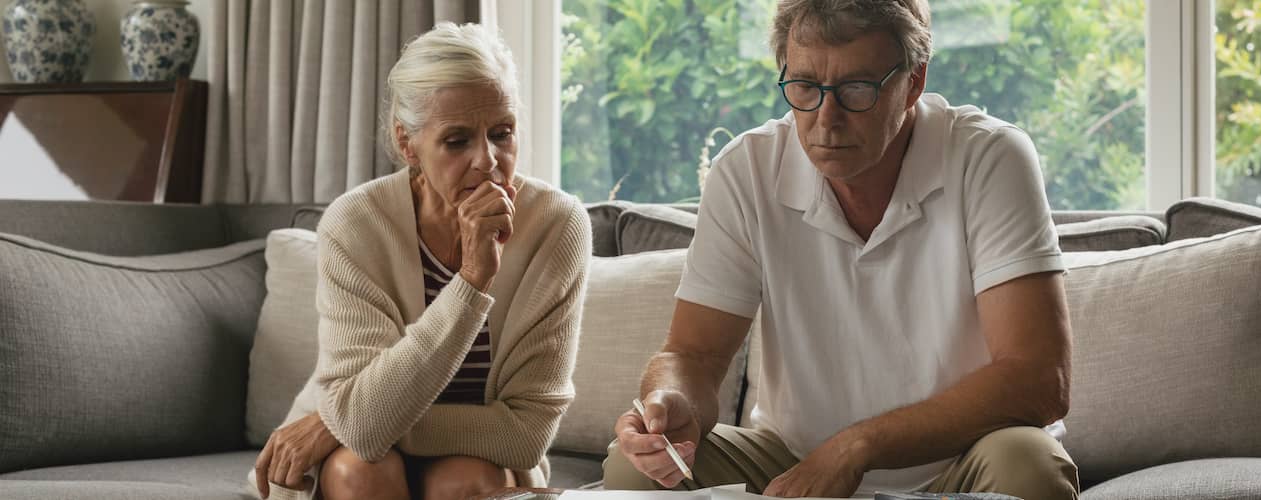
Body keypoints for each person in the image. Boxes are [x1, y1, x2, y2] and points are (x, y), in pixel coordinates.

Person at [602, 0, 1079, 498]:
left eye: (856, 89)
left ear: (913, 81)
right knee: (631, 470)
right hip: (793, 461)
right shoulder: (747, 171)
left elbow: (1039, 378)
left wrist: (858, 446)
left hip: (963, 460)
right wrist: (670, 402)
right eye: (805, 87)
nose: (826, 120)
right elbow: (693, 355)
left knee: (1030, 465)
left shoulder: (989, 157)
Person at [247, 22, 590, 500]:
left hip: (478, 463)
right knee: (359, 470)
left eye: (502, 133)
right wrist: (471, 282)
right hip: (355, 460)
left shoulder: (557, 225)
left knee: (466, 478)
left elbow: (525, 434)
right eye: (457, 140)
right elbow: (363, 431)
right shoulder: (356, 224)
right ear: (408, 143)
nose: (488, 160)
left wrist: (337, 422)